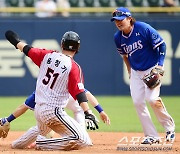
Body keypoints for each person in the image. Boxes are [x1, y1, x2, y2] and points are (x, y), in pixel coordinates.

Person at [5, 30, 99, 150]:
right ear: (77, 48)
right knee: (83, 140)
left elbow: (23, 46)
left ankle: (17, 144)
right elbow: (80, 93)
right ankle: (42, 144)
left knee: (41, 130)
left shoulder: (47, 55)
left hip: (38, 111)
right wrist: (88, 112)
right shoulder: (74, 67)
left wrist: (15, 41)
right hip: (53, 112)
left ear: (62, 44)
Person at [111, 7, 175, 144]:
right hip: (136, 72)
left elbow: (162, 45)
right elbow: (124, 56)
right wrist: (129, 70)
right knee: (138, 102)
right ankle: (151, 135)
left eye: (121, 19)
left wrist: (160, 65)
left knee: (152, 99)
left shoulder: (143, 28)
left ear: (129, 18)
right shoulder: (118, 37)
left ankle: (169, 128)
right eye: (116, 20)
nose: (118, 23)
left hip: (152, 68)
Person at [0, 89, 110, 149]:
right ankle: (23, 143)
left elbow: (86, 93)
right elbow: (23, 107)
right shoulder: (41, 90)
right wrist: (8, 120)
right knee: (42, 130)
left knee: (78, 110)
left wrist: (100, 110)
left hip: (70, 105)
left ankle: (82, 135)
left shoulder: (66, 80)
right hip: (50, 113)